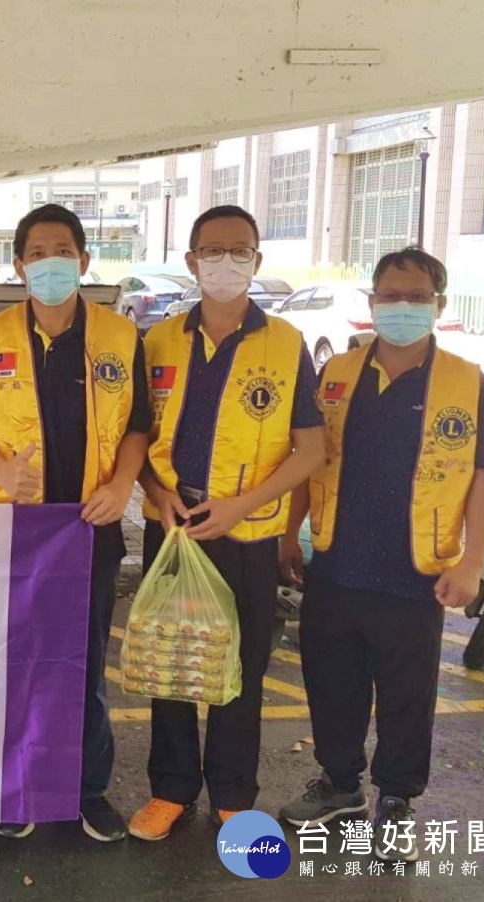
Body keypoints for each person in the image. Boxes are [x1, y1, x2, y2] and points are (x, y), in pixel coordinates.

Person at [278, 248, 484, 861]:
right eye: (391, 295)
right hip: (337, 562)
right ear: (372, 301)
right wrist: (287, 534)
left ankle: (397, 801)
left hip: (416, 574)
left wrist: (472, 562)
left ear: (439, 304)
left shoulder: (464, 380)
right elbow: (308, 459)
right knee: (331, 682)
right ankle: (340, 785)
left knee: (406, 694)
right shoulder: (339, 375)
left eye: (416, 297)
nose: (402, 306)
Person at [0, 204, 150, 842]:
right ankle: (18, 788)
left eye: (61, 250)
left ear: (85, 261)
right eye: (36, 253)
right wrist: (2, 472)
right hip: (14, 531)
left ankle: (88, 788)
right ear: (18, 266)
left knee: (84, 664)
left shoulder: (121, 337)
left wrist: (122, 487)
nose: (49, 263)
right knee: (15, 661)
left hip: (88, 528)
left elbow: (139, 427)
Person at [129, 205, 325, 841]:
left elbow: (311, 450)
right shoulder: (157, 340)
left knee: (240, 666)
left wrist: (242, 506)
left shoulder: (285, 342)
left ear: (257, 261)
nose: (226, 263)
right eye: (213, 251)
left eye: (240, 251)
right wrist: (156, 495)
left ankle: (234, 796)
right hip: (175, 524)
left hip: (248, 530)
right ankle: (171, 791)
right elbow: (132, 437)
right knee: (172, 660)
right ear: (191, 261)